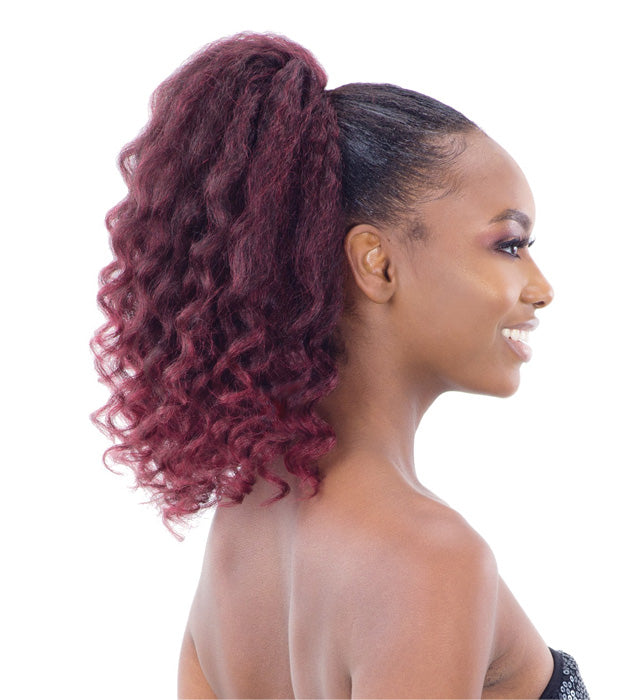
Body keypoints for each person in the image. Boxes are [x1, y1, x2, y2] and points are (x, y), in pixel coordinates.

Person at [90, 32, 590, 699]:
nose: (541, 287)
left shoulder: (243, 526)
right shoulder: (428, 557)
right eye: (509, 244)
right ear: (376, 264)